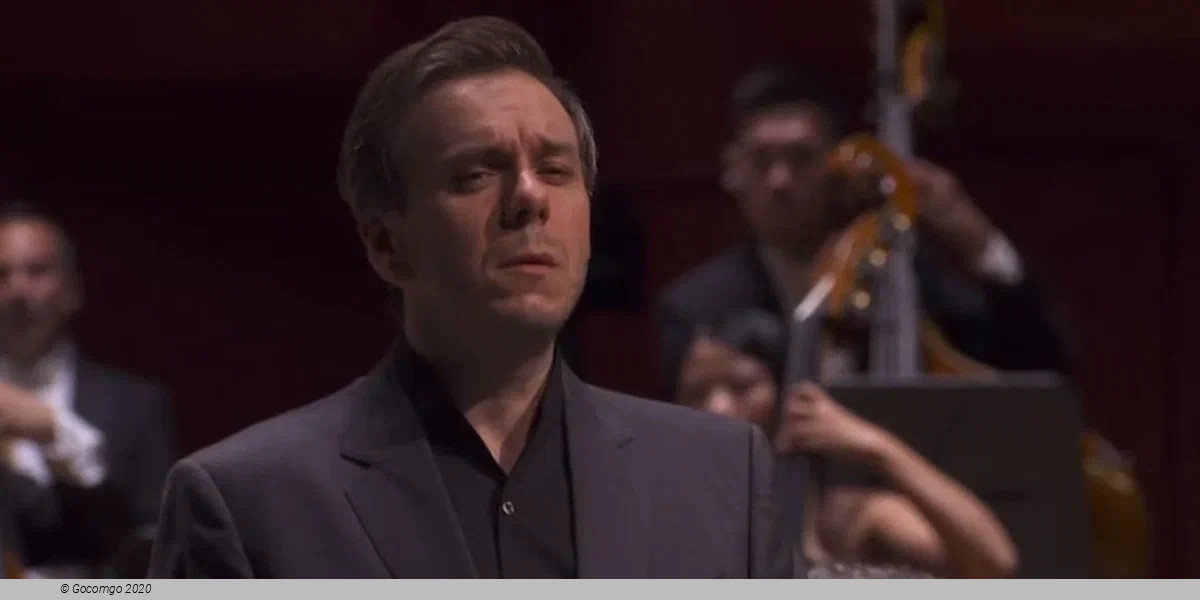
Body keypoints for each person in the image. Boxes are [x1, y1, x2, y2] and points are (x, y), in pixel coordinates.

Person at [148, 17, 792, 579]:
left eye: (556, 170)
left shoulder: (724, 474)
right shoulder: (247, 502)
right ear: (387, 244)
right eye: (476, 173)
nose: (529, 197)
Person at [656, 64, 1070, 406]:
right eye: (761, 159)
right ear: (733, 170)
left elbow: (1036, 367)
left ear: (839, 165)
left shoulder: (903, 276)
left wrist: (981, 244)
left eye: (802, 157)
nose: (780, 180)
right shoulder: (694, 309)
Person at [689, 312, 1017, 578]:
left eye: (742, 387)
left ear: (787, 390)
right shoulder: (678, 497)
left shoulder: (836, 515)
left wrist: (879, 448)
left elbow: (993, 562)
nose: (717, 407)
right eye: (695, 392)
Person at [0, 201, 176, 577]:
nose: (17, 289)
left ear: (73, 290)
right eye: (1, 274)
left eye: (37, 271)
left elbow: (153, 545)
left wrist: (53, 430)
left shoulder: (137, 404)